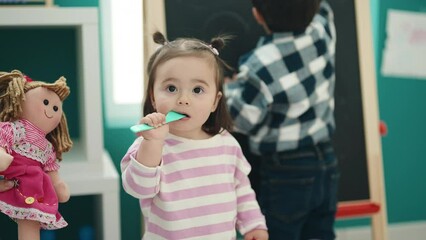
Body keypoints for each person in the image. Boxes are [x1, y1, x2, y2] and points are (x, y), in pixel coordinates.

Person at [120, 31, 268, 240]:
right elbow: (138, 189)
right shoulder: (148, 144)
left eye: (197, 90)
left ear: (215, 102)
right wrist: (152, 143)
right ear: (153, 97)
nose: (183, 99)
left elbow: (242, 190)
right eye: (171, 88)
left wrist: (254, 225)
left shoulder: (227, 145)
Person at [224, 0, 339, 239]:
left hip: (286, 171)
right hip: (326, 160)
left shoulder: (259, 66)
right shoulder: (322, 28)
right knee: (320, 233)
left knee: (279, 233)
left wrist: (230, 90)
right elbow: (323, 8)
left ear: (257, 15)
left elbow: (241, 120)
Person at [0, 70, 73, 240]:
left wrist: (58, 184)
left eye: (55, 108)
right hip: (12, 175)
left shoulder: (48, 147)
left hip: (33, 187)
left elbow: (50, 168)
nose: (50, 110)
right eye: (46, 102)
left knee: (30, 222)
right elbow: (3, 137)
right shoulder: (18, 129)